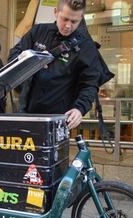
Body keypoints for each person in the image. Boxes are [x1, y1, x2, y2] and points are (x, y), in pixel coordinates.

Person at [8, 0, 112, 129]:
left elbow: (90, 84)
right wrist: (31, 61)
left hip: (58, 119)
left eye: (74, 22)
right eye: (65, 19)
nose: (68, 26)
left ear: (81, 18)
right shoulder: (38, 32)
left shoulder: (86, 47)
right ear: (56, 12)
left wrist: (79, 109)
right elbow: (13, 56)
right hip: (26, 113)